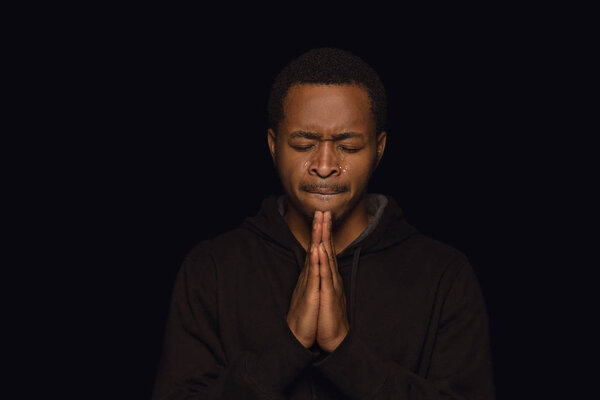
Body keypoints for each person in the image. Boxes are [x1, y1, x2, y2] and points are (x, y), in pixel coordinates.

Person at [152, 47, 494, 399]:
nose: (326, 165)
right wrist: (288, 349)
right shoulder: (211, 268)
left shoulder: (444, 274)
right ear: (273, 146)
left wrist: (345, 352)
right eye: (303, 144)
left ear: (379, 149)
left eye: (348, 146)